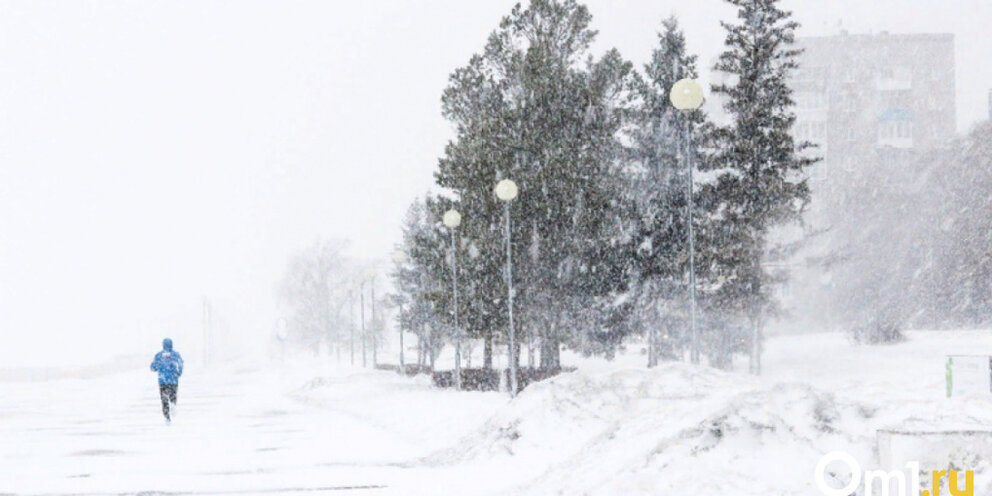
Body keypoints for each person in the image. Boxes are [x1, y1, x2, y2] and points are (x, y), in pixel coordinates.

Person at [150, 338, 184, 423]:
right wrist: (178, 373)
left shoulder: (159, 355)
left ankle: (167, 417)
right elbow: (180, 364)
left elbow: (153, 367)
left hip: (163, 381)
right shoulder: (176, 355)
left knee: (164, 399)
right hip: (173, 381)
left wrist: (158, 368)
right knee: (173, 397)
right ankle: (173, 406)